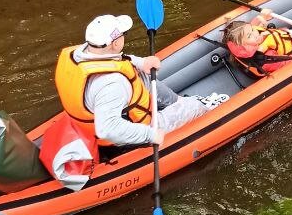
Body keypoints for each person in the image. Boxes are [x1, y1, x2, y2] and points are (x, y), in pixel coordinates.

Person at [55, 14, 227, 155]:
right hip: (122, 138)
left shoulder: (81, 52)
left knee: (142, 76)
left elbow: (119, 58)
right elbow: (107, 129)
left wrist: (141, 62)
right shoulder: (112, 85)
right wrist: (150, 134)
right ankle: (202, 108)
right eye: (123, 34)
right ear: (115, 43)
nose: (124, 37)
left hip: (100, 113)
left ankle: (176, 102)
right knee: (194, 106)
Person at [222, 10, 292, 79]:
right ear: (242, 44)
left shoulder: (242, 42)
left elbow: (249, 29)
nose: (255, 33)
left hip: (288, 39)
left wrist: (261, 17)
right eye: (249, 35)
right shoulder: (265, 59)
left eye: (253, 30)